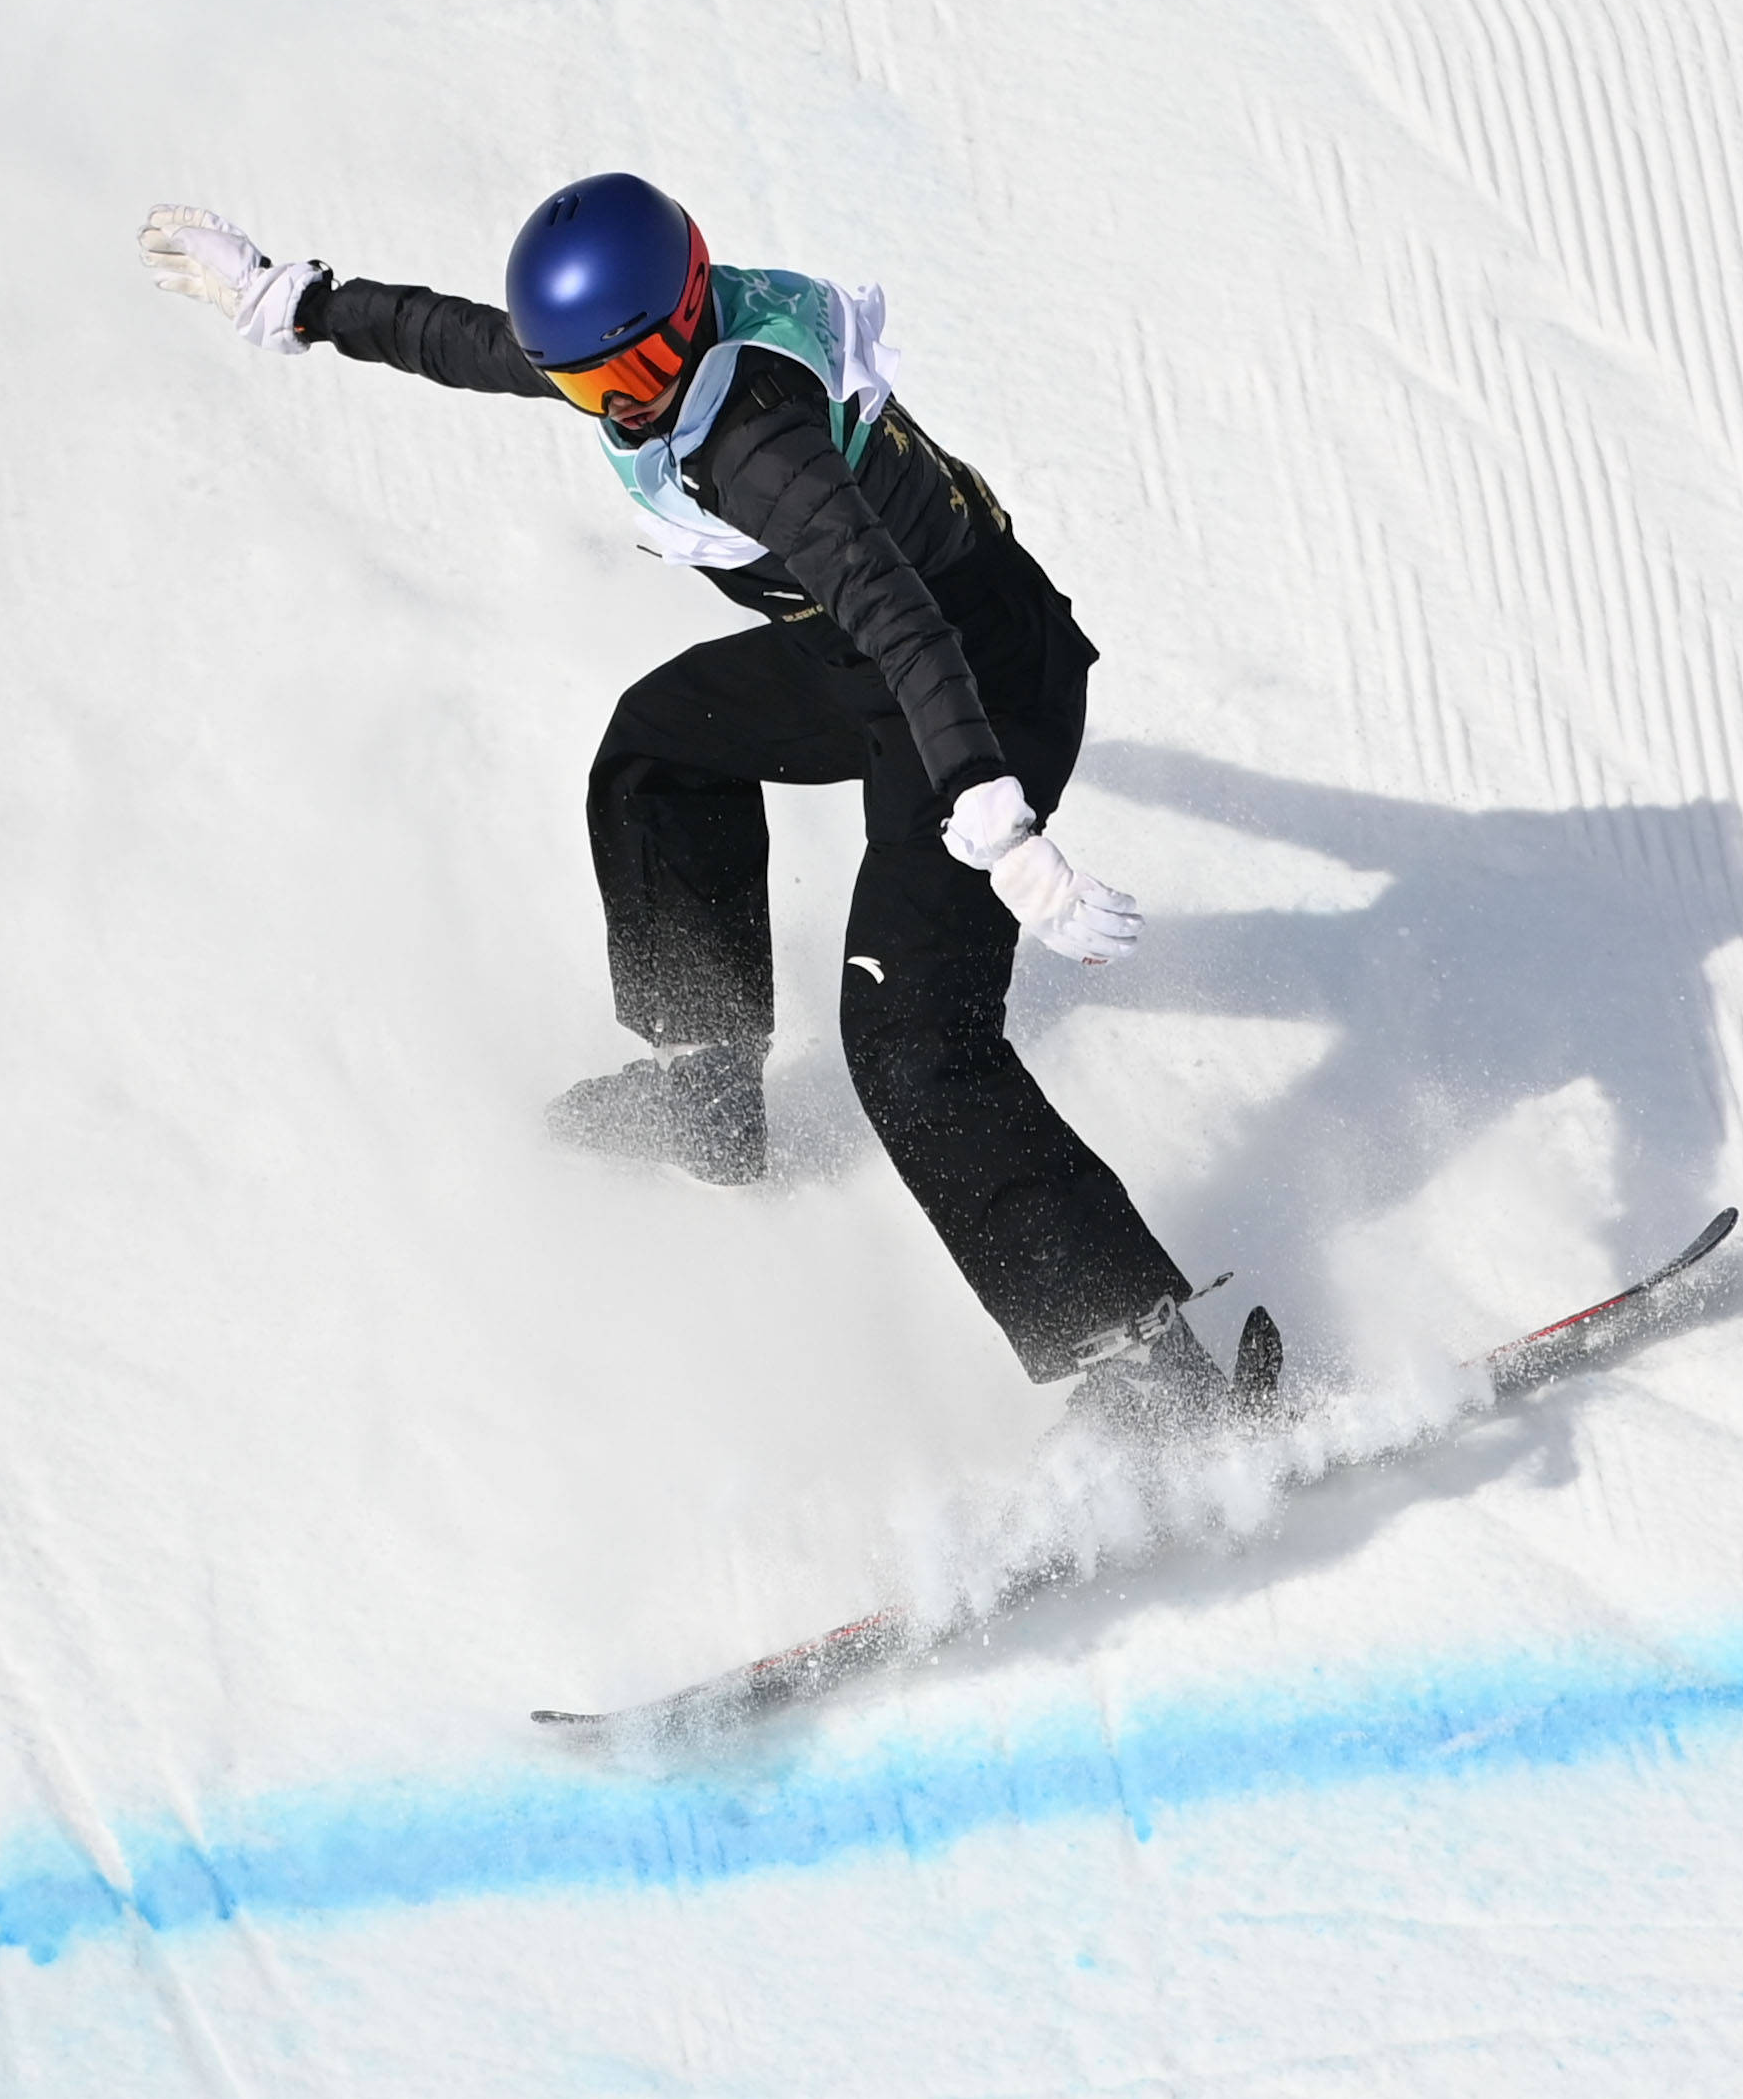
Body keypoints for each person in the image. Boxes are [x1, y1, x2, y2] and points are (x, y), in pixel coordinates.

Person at [139, 174, 1277, 1435]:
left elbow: (900, 616)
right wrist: (294, 302)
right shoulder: (646, 362)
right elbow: (474, 340)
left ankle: (1151, 1366)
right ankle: (709, 1084)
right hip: (851, 657)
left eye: (615, 382)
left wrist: (994, 815)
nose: (606, 410)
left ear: (678, 325)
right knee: (658, 755)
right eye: (583, 388)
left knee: (910, 1043)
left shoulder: (757, 443)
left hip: (971, 687)